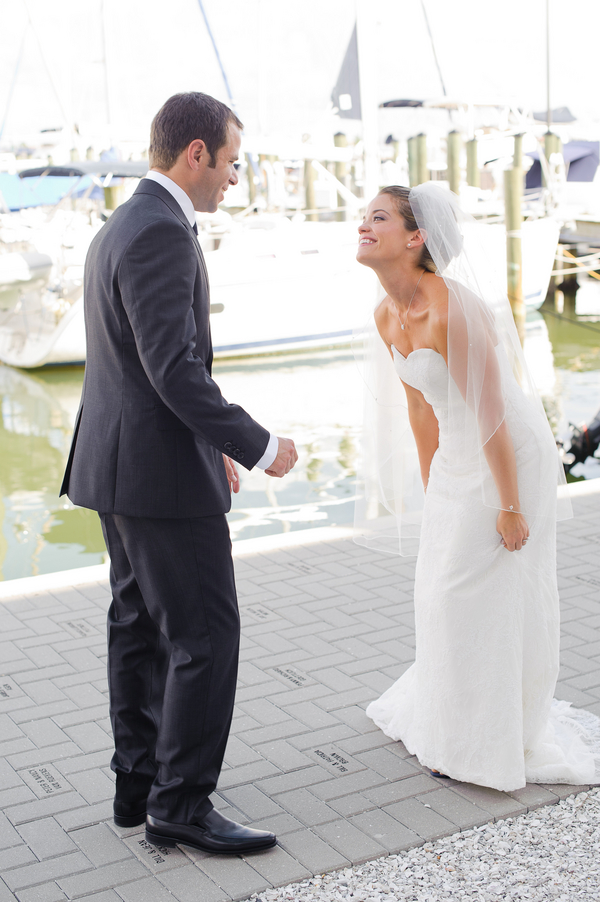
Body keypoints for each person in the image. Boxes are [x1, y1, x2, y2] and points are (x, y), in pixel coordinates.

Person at [60, 92, 298, 854]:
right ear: (195, 153)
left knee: (137, 627)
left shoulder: (122, 224)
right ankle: (183, 805)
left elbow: (135, 368)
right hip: (159, 480)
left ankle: (140, 786)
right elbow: (173, 369)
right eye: (230, 162)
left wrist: (212, 447)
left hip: (120, 467)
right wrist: (256, 443)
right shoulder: (161, 231)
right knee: (203, 636)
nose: (233, 177)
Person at [354, 182, 600, 791]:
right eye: (364, 216)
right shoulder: (386, 314)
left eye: (378, 217)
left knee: (473, 590)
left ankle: (496, 734)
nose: (363, 225)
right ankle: (453, 721)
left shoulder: (452, 306)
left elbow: (490, 410)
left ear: (416, 238)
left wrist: (510, 506)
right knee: (438, 588)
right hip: (459, 458)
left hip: (509, 454)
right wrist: (433, 480)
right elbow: (419, 409)